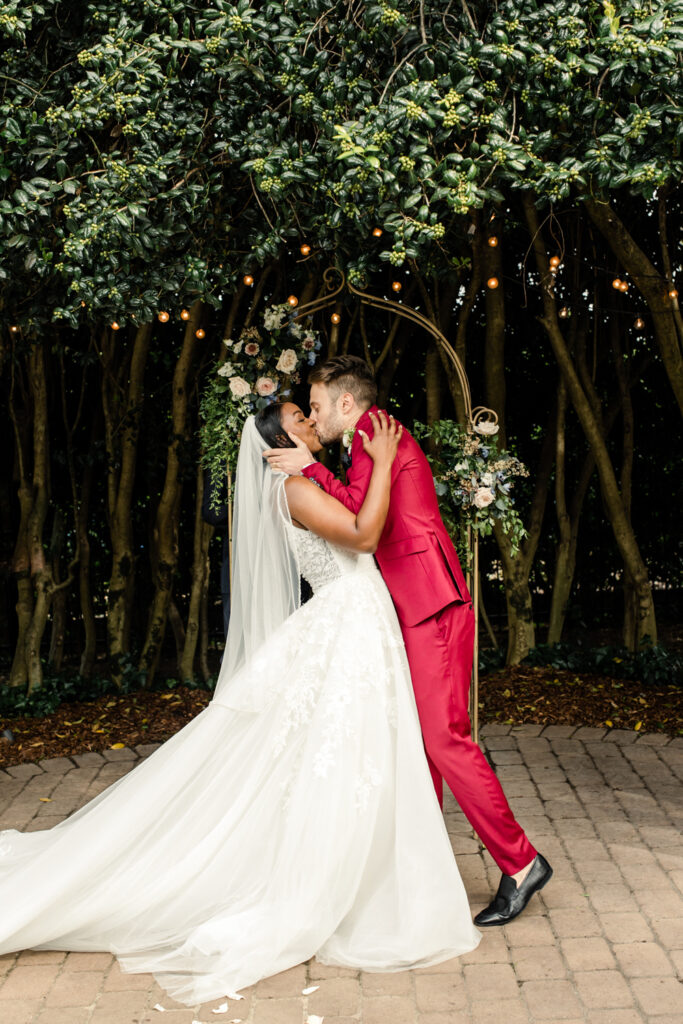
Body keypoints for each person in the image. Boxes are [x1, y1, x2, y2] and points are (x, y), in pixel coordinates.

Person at [0, 403, 480, 1007]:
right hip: (349, 627)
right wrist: (383, 462)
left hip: (359, 627)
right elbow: (363, 535)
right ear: (280, 442)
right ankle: (337, 882)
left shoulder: (307, 481)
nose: (311, 422)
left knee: (359, 758)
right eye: (301, 418)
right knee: (342, 756)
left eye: (310, 413)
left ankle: (372, 872)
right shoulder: (296, 490)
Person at [264, 357, 552, 927]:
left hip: (430, 602)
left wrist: (308, 469)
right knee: (424, 746)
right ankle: (417, 868)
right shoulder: (367, 438)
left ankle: (521, 863)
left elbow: (357, 520)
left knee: (445, 742)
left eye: (316, 406)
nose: (315, 418)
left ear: (347, 404)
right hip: (420, 603)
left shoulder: (373, 431)